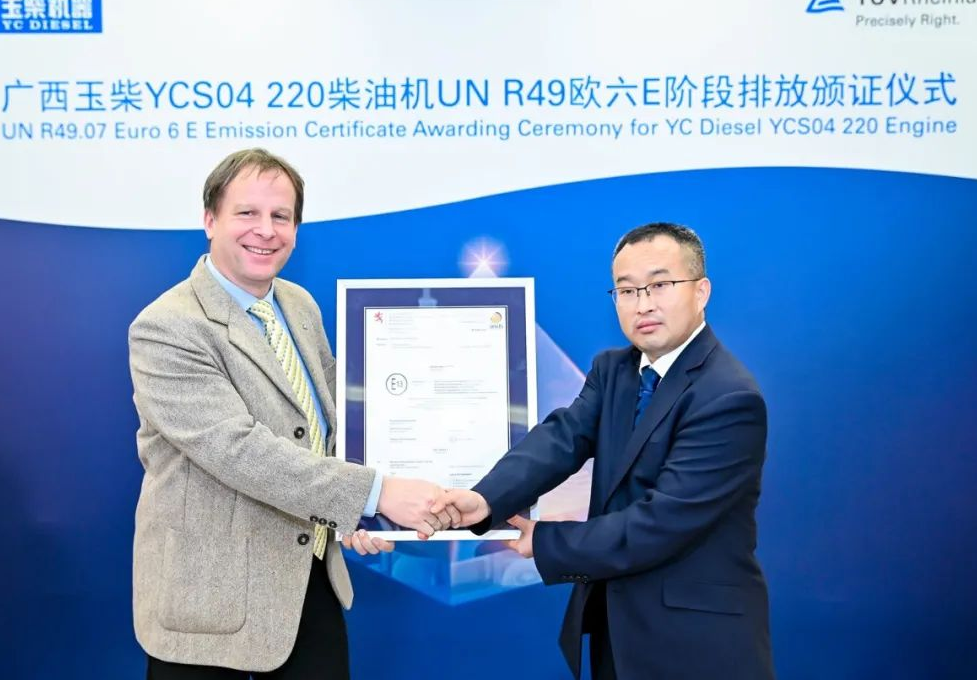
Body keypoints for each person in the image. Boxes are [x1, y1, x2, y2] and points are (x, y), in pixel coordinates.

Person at [128, 148, 448, 679]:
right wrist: (373, 494)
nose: (266, 230)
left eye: (281, 216)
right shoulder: (167, 327)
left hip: (308, 584)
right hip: (210, 608)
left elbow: (330, 430)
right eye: (247, 213)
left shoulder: (298, 306)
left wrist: (358, 515)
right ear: (209, 220)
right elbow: (238, 451)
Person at [435, 223, 774, 679]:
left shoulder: (729, 396)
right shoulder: (613, 370)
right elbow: (562, 438)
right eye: (627, 291)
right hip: (617, 632)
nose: (643, 304)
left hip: (696, 644)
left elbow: (662, 523)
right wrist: (484, 500)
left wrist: (547, 541)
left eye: (660, 285)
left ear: (701, 291)